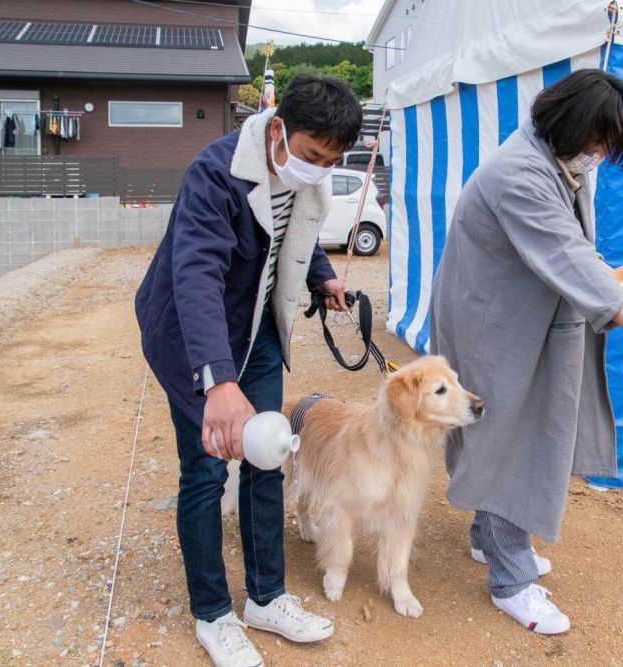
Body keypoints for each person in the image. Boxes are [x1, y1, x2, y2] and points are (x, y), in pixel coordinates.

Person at [429, 69, 623, 635]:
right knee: (507, 439)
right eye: (600, 140)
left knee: (509, 433)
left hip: (512, 313)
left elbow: (565, 249)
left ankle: (487, 539)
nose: (602, 153)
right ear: (570, 126)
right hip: (490, 321)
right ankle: (510, 579)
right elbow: (563, 249)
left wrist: (606, 280)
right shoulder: (519, 173)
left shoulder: (561, 162)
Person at [135, 74, 362, 667]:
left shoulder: (303, 177)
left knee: (270, 458)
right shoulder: (215, 175)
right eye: (313, 156)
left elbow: (294, 229)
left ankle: (266, 596)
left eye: (332, 162)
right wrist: (219, 381)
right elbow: (197, 276)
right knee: (207, 473)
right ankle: (212, 613)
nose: (318, 170)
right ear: (278, 128)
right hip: (194, 333)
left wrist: (321, 274)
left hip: (257, 326)